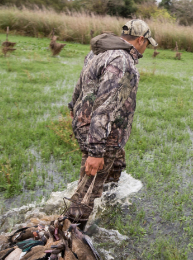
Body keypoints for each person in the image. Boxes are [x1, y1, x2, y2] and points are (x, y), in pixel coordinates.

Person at [66, 19, 157, 229]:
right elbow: (105, 106)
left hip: (100, 129)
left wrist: (74, 105)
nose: (146, 49)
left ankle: (107, 202)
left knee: (116, 165)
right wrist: (96, 152)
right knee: (87, 191)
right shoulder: (121, 61)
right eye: (147, 43)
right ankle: (70, 234)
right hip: (103, 134)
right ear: (141, 39)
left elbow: (81, 81)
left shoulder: (99, 52)